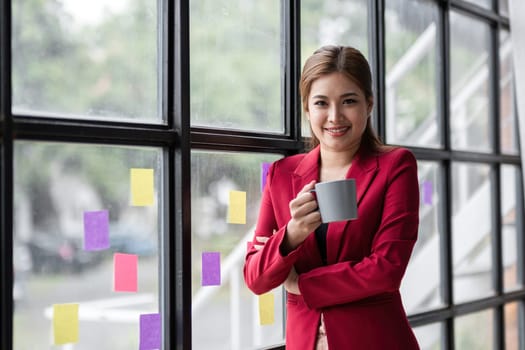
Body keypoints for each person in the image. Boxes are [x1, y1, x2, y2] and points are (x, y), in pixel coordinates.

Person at [243, 45, 420, 350]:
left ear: (369, 104)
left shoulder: (396, 166)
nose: (335, 116)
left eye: (349, 101)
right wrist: (292, 235)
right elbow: (256, 278)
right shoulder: (281, 174)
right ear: (307, 109)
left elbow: (387, 269)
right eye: (321, 103)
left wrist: (301, 284)